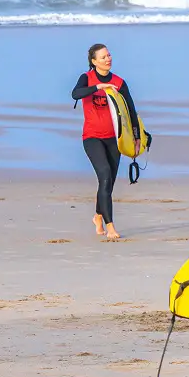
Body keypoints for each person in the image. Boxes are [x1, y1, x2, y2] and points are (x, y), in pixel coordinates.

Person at [70, 43, 140, 241]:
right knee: (105, 175)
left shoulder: (119, 82)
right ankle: (110, 227)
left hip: (114, 139)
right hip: (92, 138)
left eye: (109, 55)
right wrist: (98, 87)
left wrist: (136, 137)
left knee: (108, 183)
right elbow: (75, 94)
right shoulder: (87, 78)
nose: (107, 59)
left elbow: (131, 111)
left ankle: (98, 217)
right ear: (93, 61)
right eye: (102, 57)